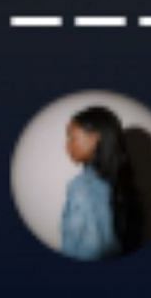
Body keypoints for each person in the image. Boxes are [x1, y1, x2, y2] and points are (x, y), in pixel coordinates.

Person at [60, 106, 143, 260]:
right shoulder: (120, 183)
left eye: (71, 137)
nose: (67, 145)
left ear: (93, 139)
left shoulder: (83, 187)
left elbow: (88, 251)